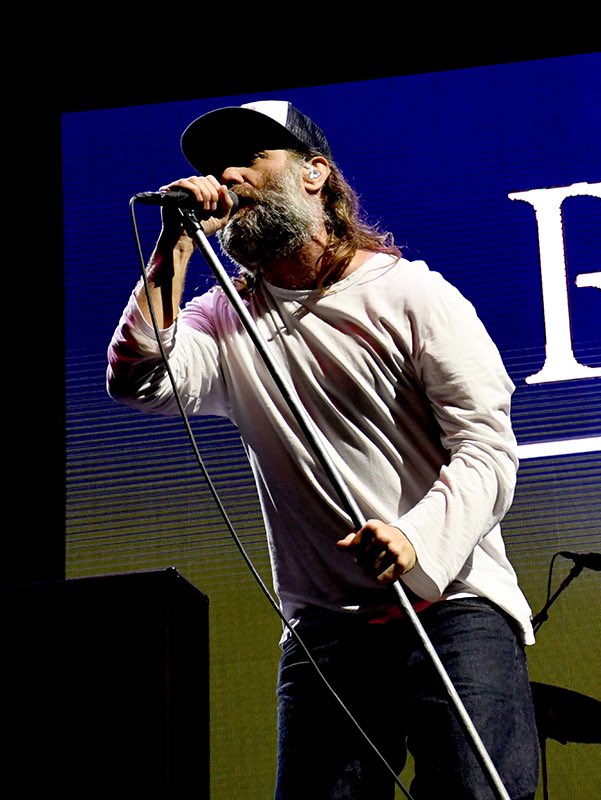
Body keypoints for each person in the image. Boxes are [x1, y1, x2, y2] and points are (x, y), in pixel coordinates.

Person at [107, 100, 539, 800]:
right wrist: (176, 246)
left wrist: (414, 536)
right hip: (326, 635)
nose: (230, 174)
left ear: (315, 174)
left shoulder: (409, 293)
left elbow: (487, 447)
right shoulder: (223, 319)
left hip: (455, 605)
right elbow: (137, 380)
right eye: (220, 164)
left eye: (254, 157)